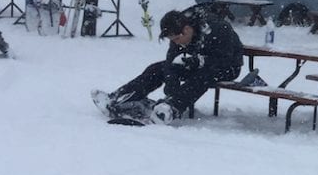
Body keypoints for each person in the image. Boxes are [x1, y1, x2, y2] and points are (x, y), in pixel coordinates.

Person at [97, 7, 244, 124]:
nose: (176, 43)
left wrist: (200, 61)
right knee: (157, 68)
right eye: (172, 40)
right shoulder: (179, 34)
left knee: (203, 75)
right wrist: (171, 82)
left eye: (177, 39)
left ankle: (171, 108)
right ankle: (122, 96)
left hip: (228, 67)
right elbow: (170, 61)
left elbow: (224, 59)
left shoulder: (217, 28)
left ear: (186, 29)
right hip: (196, 63)